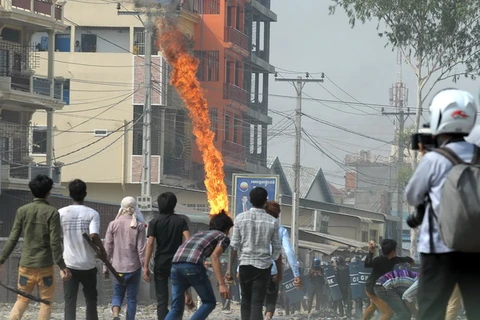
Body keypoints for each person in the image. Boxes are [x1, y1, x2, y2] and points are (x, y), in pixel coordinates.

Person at [405, 88, 480, 320]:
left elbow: (412, 196)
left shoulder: (434, 159)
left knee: (432, 311)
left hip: (438, 250)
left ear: (439, 117)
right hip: (476, 248)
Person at [0, 174, 71, 320]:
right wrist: (62, 265)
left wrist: (1, 260)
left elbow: (13, 238)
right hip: (45, 266)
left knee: (22, 299)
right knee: (46, 302)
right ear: (49, 192)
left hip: (26, 265)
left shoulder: (22, 211)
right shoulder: (52, 212)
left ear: (32, 191)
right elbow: (55, 242)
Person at [165, 211, 234, 320]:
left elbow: (183, 265)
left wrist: (187, 294)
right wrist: (222, 284)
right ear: (226, 229)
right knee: (209, 302)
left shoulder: (198, 234)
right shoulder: (223, 236)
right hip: (193, 266)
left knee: (176, 308)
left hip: (175, 265)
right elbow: (215, 257)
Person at [230, 187, 282, 320]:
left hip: (245, 265)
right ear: (265, 202)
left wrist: (229, 270)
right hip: (263, 267)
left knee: (245, 301)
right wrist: (279, 271)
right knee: (257, 302)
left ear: (250, 201)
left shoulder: (240, 218)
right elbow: (277, 249)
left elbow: (234, 246)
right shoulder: (272, 221)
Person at [59, 179, 106, 320]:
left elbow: (57, 236)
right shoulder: (92, 214)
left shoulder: (61, 213)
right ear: (85, 193)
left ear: (70, 194)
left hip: (69, 265)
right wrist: (102, 250)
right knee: (91, 300)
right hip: (88, 265)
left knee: (70, 301)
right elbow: (94, 235)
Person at [144, 192, 190, 320]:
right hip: (177, 262)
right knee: (178, 295)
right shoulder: (181, 221)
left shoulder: (154, 222)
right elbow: (188, 240)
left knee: (161, 298)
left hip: (161, 262)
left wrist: (146, 266)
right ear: (174, 204)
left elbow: (150, 244)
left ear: (159, 205)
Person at [104, 196, 147, 320]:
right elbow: (141, 249)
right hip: (134, 268)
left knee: (117, 294)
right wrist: (145, 267)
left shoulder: (113, 224)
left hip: (117, 269)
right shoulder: (139, 226)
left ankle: (116, 315)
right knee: (131, 298)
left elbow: (107, 248)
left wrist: (105, 267)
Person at [264, 201, 301, 320]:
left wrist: (238, 268)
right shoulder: (281, 230)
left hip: (252, 268)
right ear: (278, 215)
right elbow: (289, 252)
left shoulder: (255, 227)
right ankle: (268, 317)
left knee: (254, 299)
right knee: (271, 297)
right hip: (271, 270)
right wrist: (296, 274)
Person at [363, 239, 414, 320]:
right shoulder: (378, 260)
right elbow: (367, 264)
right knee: (388, 312)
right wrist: (370, 253)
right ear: (393, 251)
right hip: (372, 288)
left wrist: (410, 260)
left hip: (379, 287)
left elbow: (403, 259)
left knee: (373, 306)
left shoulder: (393, 259)